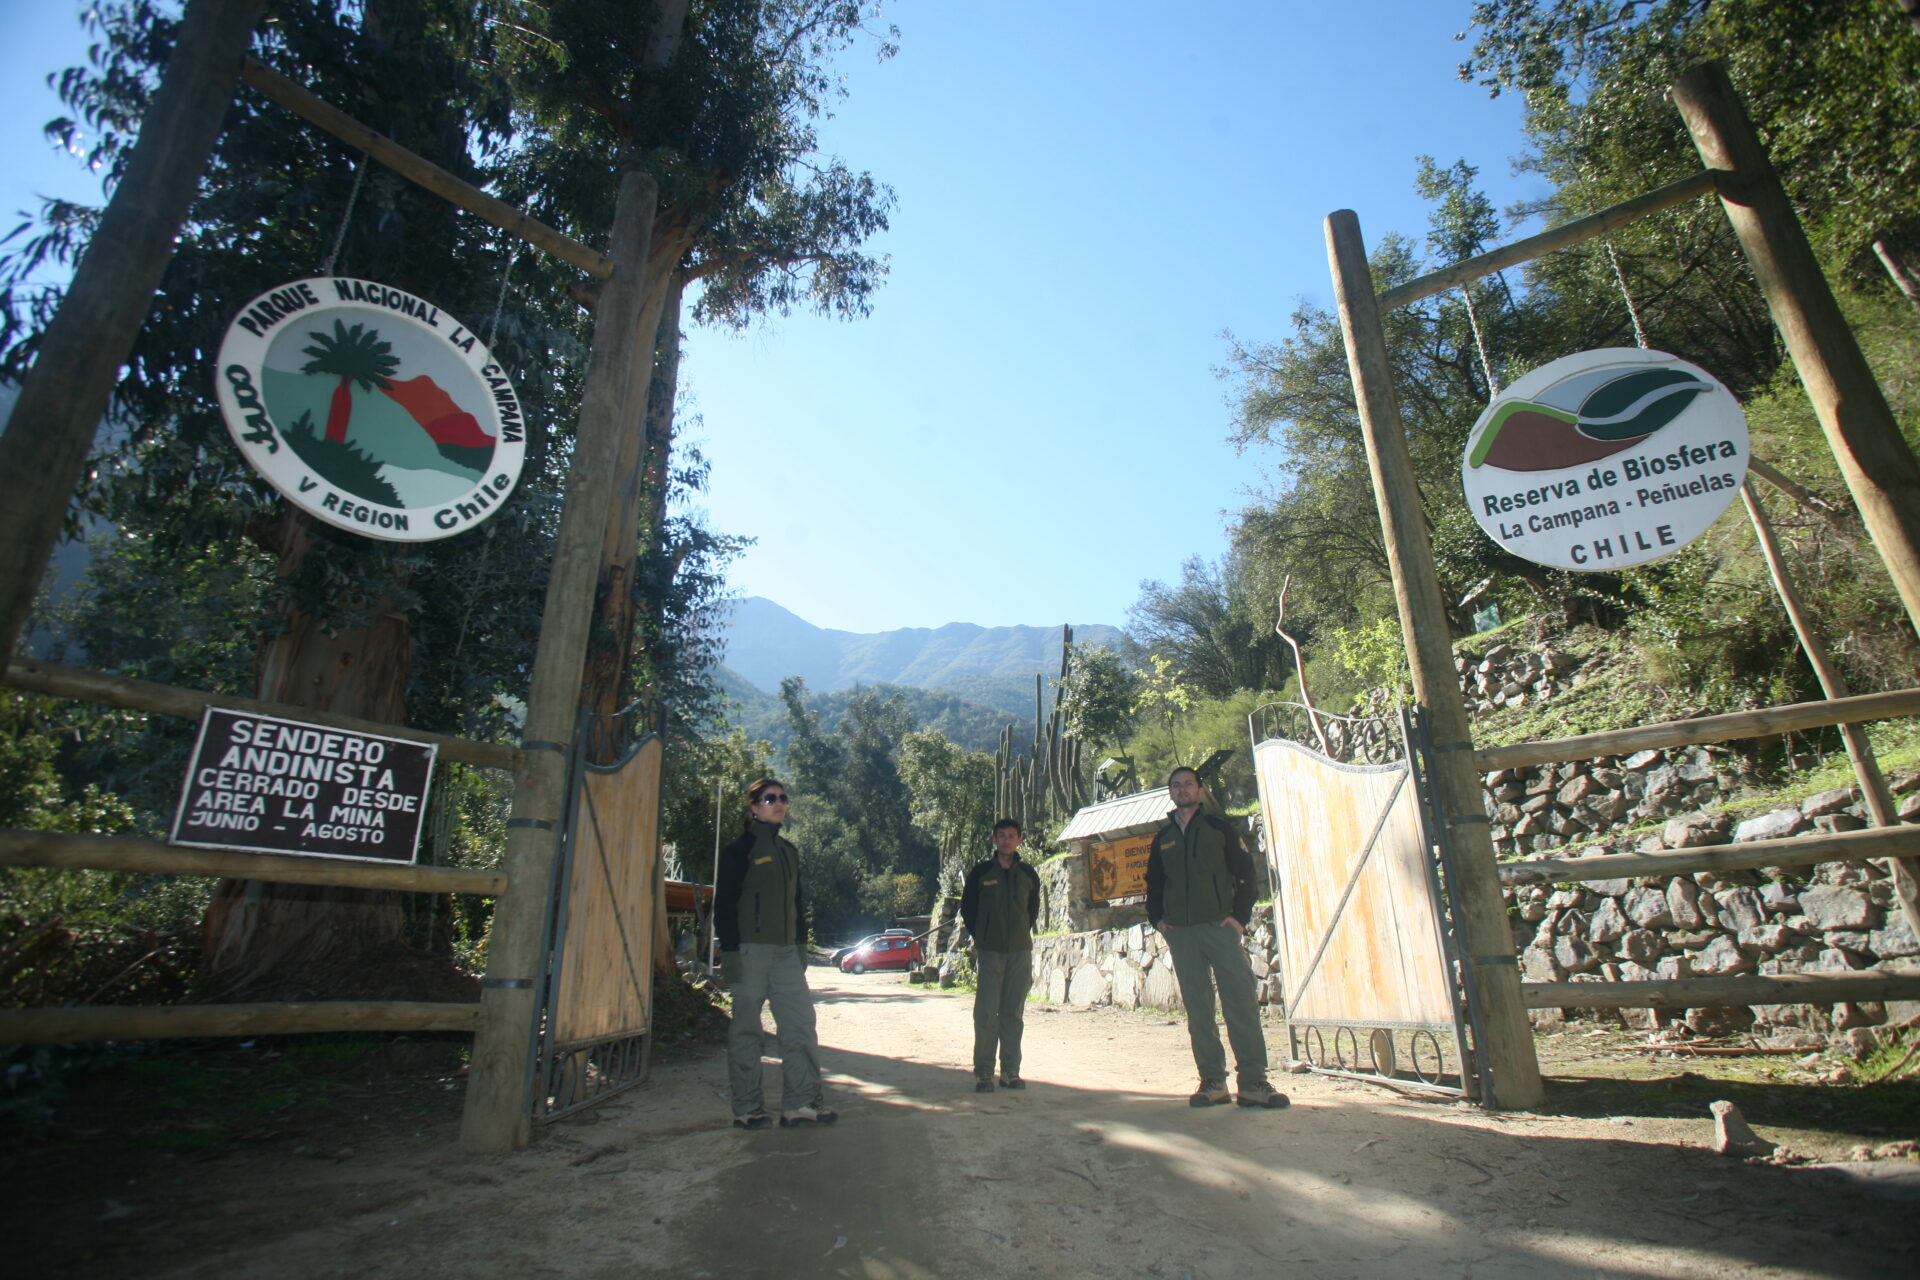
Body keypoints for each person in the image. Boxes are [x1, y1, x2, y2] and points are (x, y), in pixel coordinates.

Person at [1144, 766, 1288, 1109]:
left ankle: (1253, 1082)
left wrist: (1237, 919)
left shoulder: (1219, 829)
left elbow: (1246, 876)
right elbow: (1154, 884)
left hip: (1219, 929)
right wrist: (1160, 920)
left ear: (1200, 789)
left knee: (1240, 1003)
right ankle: (1212, 1082)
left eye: (1188, 784)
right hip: (1182, 933)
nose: (1182, 790)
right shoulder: (1162, 838)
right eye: (1176, 785)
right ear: (1171, 793)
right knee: (1199, 1010)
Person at [715, 778, 836, 1131]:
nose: (779, 803)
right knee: (747, 1032)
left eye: (782, 798)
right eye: (770, 798)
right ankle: (748, 1108)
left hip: (785, 953)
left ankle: (799, 1104)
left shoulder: (788, 851)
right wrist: (731, 950)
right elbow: (724, 903)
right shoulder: (740, 850)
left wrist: (799, 945)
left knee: (799, 1026)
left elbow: (798, 903)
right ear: (753, 807)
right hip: (750, 951)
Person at [960, 817, 1043, 1092]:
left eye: (1011, 836)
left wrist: (1020, 933)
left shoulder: (1028, 874)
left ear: (1019, 840)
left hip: (1020, 951)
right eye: (1001, 836)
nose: (1006, 840)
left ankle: (1010, 1071)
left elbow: (1032, 911)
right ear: (994, 840)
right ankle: (984, 1073)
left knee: (1013, 1013)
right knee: (986, 1012)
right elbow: (968, 909)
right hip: (990, 951)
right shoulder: (981, 873)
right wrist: (982, 936)